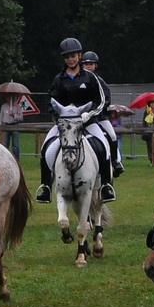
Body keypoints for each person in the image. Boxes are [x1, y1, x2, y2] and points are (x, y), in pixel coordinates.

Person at [37, 38, 111, 203]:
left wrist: (89, 114)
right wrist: (59, 119)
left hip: (88, 122)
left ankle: (106, 185)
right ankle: (46, 187)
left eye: (73, 56)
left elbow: (101, 100)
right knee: (45, 149)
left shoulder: (90, 78)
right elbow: (51, 102)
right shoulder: (59, 79)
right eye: (67, 57)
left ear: (79, 55)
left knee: (103, 147)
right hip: (65, 125)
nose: (70, 59)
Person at [80, 50, 125, 184]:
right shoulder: (77, 81)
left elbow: (106, 100)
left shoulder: (101, 82)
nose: (88, 66)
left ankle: (115, 162)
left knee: (112, 135)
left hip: (98, 117)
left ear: (96, 65)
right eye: (86, 64)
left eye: (91, 64)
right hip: (78, 117)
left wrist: (92, 112)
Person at [0, 91, 24, 158]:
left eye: (10, 97)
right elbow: (1, 117)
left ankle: (16, 159)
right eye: (7, 97)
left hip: (15, 126)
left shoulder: (18, 107)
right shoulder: (4, 106)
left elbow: (21, 118)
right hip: (6, 126)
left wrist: (14, 115)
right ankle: (5, 158)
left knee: (15, 146)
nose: (8, 98)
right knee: (5, 144)